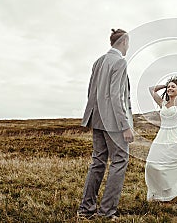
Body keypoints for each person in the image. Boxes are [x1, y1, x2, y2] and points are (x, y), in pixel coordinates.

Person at [77, 29, 134, 220]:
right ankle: (106, 212)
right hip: (114, 122)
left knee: (98, 161)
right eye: (128, 42)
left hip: (97, 118)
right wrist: (125, 125)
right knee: (119, 161)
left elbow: (91, 92)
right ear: (124, 41)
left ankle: (86, 209)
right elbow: (117, 96)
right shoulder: (120, 62)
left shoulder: (98, 61)